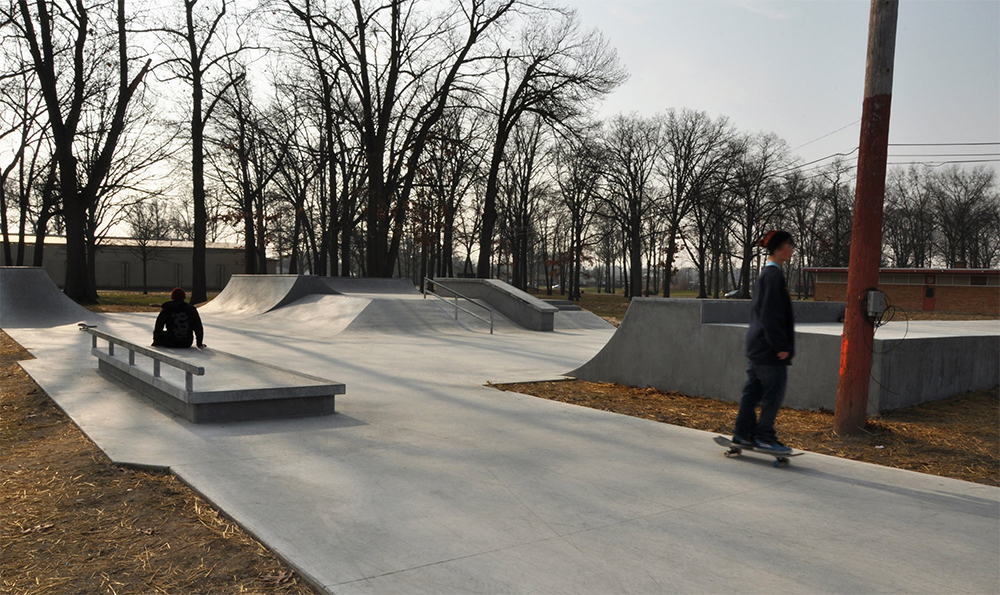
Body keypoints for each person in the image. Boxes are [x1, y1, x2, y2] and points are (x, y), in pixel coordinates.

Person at [732, 230, 795, 454]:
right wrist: (781, 346)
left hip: (757, 345)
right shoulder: (774, 276)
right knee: (773, 395)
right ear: (778, 248)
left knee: (752, 393)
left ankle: (742, 433)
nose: (791, 249)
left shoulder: (765, 275)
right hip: (769, 350)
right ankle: (764, 436)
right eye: (789, 245)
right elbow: (771, 315)